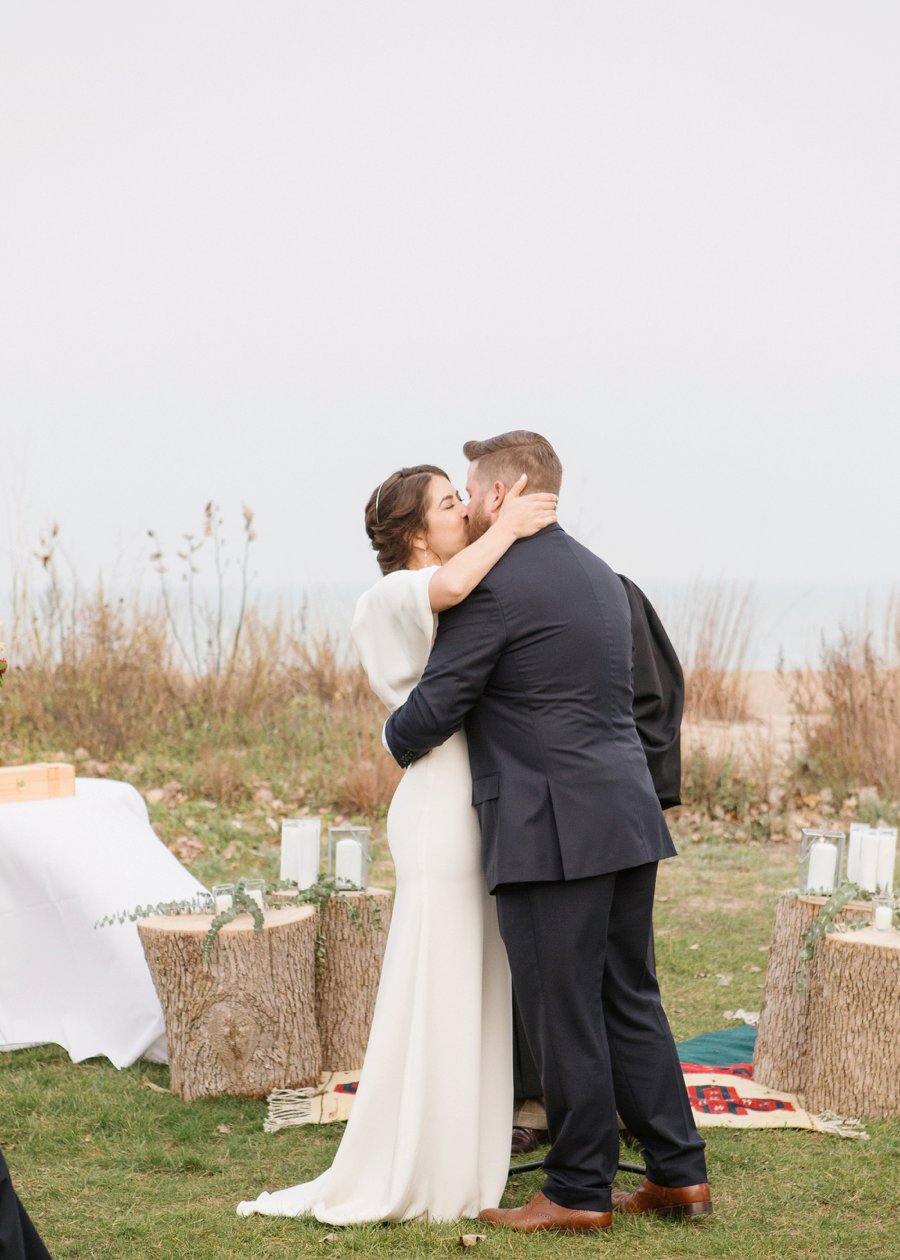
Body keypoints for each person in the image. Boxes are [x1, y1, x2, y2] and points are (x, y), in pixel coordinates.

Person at [385, 431, 710, 1235]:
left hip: (548, 829)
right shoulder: (603, 577)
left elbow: (434, 711)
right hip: (626, 816)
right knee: (630, 997)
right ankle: (678, 1173)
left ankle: (576, 1189)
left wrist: (392, 731)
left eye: (469, 492)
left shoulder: (496, 588)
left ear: (500, 496)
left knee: (562, 1009)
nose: (466, 507)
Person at [237, 465, 557, 1224]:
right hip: (438, 806)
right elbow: (444, 595)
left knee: (477, 976)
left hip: (473, 798)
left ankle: (463, 1151)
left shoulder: (457, 580)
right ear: (414, 533)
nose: (464, 514)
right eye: (450, 505)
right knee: (439, 972)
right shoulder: (391, 596)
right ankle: (419, 1158)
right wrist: (509, 526)